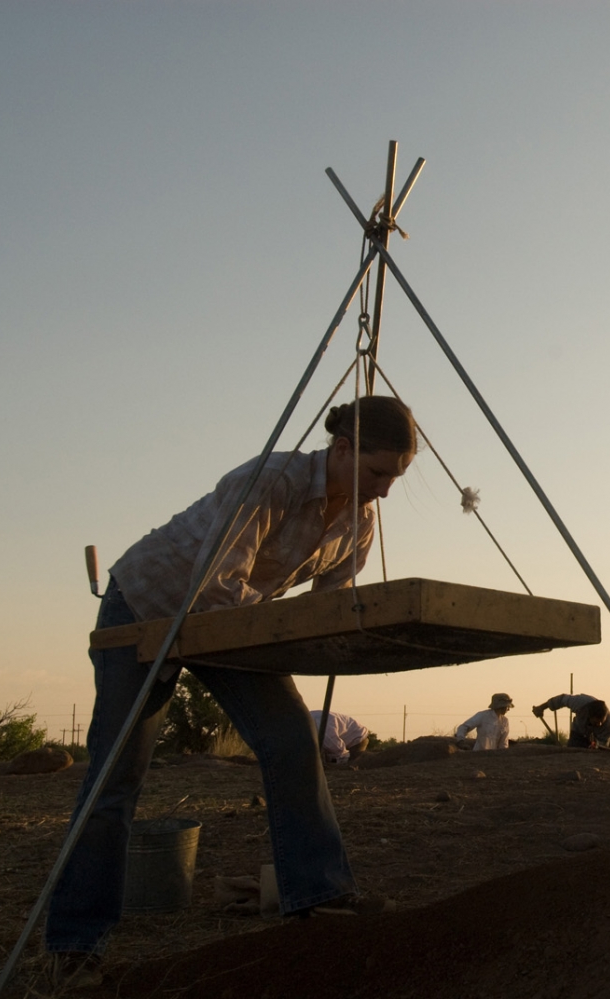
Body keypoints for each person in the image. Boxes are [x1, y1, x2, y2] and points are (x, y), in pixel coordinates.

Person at [45, 396, 416, 985]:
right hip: (148, 604)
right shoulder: (270, 480)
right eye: (377, 473)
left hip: (231, 620)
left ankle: (318, 895)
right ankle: (74, 946)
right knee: (117, 772)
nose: (385, 491)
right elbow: (215, 583)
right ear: (342, 449)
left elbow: (330, 606)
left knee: (294, 741)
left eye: (395, 479)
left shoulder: (359, 521)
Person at [533, 694, 610, 750]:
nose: (599, 725)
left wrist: (597, 746)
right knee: (573, 748)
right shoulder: (579, 702)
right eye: (596, 722)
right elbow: (561, 699)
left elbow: (603, 744)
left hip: (596, 740)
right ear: (589, 715)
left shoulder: (608, 724)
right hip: (578, 731)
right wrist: (541, 708)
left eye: (601, 722)